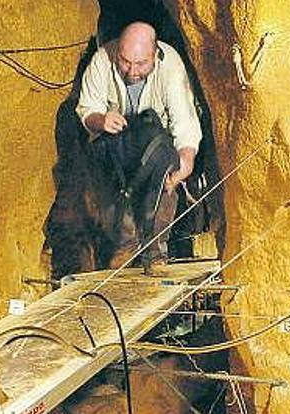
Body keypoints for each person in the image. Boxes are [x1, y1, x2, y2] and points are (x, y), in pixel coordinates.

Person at [76, 21, 202, 276]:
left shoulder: (171, 66)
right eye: (125, 62)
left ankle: (155, 253)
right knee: (104, 173)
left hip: (155, 148)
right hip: (118, 145)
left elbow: (185, 122)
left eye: (141, 64)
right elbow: (86, 109)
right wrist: (101, 120)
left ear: (155, 54)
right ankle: (126, 245)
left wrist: (185, 162)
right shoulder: (103, 60)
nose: (132, 71)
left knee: (165, 163)